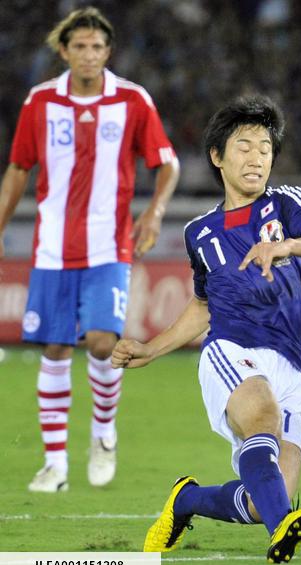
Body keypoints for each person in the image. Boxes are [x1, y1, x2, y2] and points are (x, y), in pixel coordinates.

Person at [111, 95, 301, 563]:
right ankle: (283, 531)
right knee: (261, 416)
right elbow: (203, 305)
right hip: (232, 348)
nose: (257, 157)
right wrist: (152, 350)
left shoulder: (289, 203)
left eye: (265, 148)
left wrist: (288, 246)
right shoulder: (201, 232)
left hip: (291, 364)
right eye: (244, 146)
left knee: (263, 497)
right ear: (217, 156)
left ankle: (187, 501)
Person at [0, 7, 180, 492]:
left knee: (103, 342)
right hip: (52, 250)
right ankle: (54, 464)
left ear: (108, 52)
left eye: (97, 47)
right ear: (64, 51)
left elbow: (167, 164)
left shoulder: (131, 100)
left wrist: (155, 213)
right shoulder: (39, 103)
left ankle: (103, 434)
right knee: (55, 348)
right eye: (79, 46)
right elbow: (19, 168)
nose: (89, 55)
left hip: (109, 246)